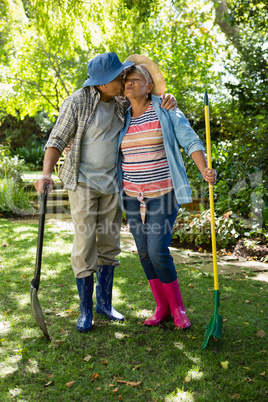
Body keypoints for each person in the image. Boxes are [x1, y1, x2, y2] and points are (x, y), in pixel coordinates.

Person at [34, 52, 177, 333]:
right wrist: (46, 174)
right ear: (100, 83)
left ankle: (104, 304)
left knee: (109, 244)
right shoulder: (77, 101)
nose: (123, 80)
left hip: (113, 183)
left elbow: (148, 92)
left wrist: (168, 97)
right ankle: (86, 311)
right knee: (86, 243)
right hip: (83, 182)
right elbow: (57, 139)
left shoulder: (121, 101)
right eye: (117, 77)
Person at [117, 55, 216, 329]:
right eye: (127, 80)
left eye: (136, 80)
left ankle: (178, 308)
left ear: (149, 86)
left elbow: (190, 139)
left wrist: (204, 169)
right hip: (132, 197)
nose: (129, 84)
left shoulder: (166, 108)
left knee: (158, 251)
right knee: (144, 253)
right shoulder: (121, 116)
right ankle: (161, 307)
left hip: (163, 193)